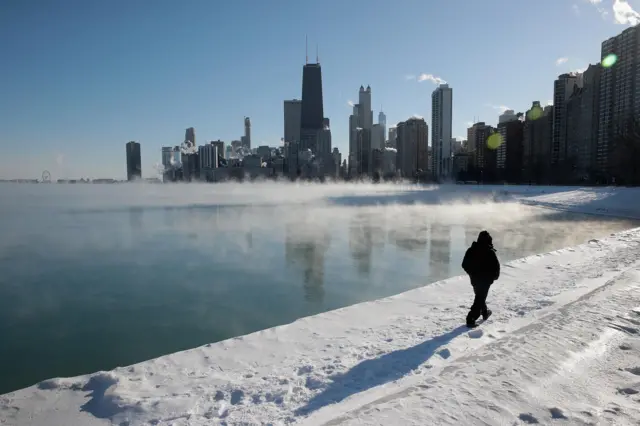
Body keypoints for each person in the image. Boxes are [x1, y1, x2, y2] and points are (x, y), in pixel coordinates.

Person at [461, 230, 500, 328]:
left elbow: (464, 264)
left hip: (474, 279)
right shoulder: (489, 252)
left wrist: (472, 273)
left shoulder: (471, 250)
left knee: (480, 296)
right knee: (480, 298)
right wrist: (492, 278)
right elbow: (496, 267)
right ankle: (471, 318)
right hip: (485, 280)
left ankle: (485, 312)